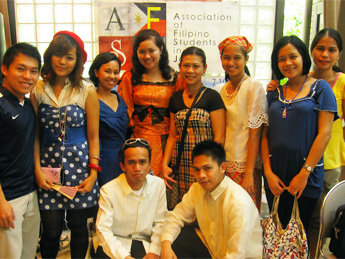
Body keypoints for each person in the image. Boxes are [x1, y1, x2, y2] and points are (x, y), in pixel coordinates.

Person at [30, 31, 100, 258]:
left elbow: (93, 137)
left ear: (77, 61)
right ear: (50, 56)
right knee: (50, 231)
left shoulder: (86, 90)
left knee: (79, 228)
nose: (63, 61)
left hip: (80, 169)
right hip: (48, 172)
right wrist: (37, 171)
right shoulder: (38, 90)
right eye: (58, 55)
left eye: (69, 57)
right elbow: (35, 137)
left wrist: (93, 174)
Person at [261, 35, 337, 235]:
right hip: (275, 178)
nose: (287, 63)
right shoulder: (273, 93)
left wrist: (304, 174)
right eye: (281, 59)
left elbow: (325, 134)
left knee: (300, 235)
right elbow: (265, 135)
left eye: (293, 56)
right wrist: (268, 173)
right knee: (277, 233)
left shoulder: (320, 89)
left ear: (303, 57)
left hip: (305, 178)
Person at [161, 140, 262, 259]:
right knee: (176, 237)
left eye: (207, 168)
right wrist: (166, 246)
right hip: (213, 252)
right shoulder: (197, 189)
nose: (201, 175)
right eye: (197, 170)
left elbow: (236, 255)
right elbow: (176, 216)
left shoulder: (238, 203)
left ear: (222, 167)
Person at [161, 46, 225, 207]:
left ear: (204, 68)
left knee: (204, 208)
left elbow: (219, 137)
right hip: (179, 164)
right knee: (181, 211)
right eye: (186, 65)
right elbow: (172, 136)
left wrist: (212, 168)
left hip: (203, 165)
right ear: (180, 66)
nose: (190, 70)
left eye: (196, 66)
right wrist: (164, 164)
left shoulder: (212, 97)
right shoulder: (175, 99)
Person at [118, 29, 184, 176]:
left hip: (168, 144)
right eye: (141, 52)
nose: (146, 56)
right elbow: (125, 111)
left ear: (161, 49)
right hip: (137, 143)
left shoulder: (175, 79)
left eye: (151, 50)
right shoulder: (130, 78)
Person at [215, 36, 268, 210]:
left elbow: (256, 134)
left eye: (237, 58)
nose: (231, 62)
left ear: (246, 59)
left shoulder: (254, 86)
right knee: (226, 213)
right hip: (225, 164)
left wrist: (249, 173)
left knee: (244, 215)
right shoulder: (223, 89)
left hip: (245, 165)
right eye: (226, 57)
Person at [92, 138, 167, 259]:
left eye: (142, 162)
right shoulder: (108, 190)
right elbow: (103, 230)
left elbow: (160, 223)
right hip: (115, 243)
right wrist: (124, 257)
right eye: (131, 162)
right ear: (122, 166)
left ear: (149, 165)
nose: (137, 168)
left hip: (145, 242)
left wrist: (154, 252)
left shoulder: (158, 185)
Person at [0, 43, 41, 258]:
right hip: (8, 198)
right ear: (4, 69)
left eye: (33, 71)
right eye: (21, 69)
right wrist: (1, 202)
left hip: (29, 192)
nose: (28, 76)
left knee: (26, 253)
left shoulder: (26, 103)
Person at [89, 52, 129, 186]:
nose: (112, 76)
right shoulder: (91, 98)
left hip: (124, 158)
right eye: (107, 71)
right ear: (96, 72)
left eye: (116, 72)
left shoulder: (118, 97)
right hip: (103, 158)